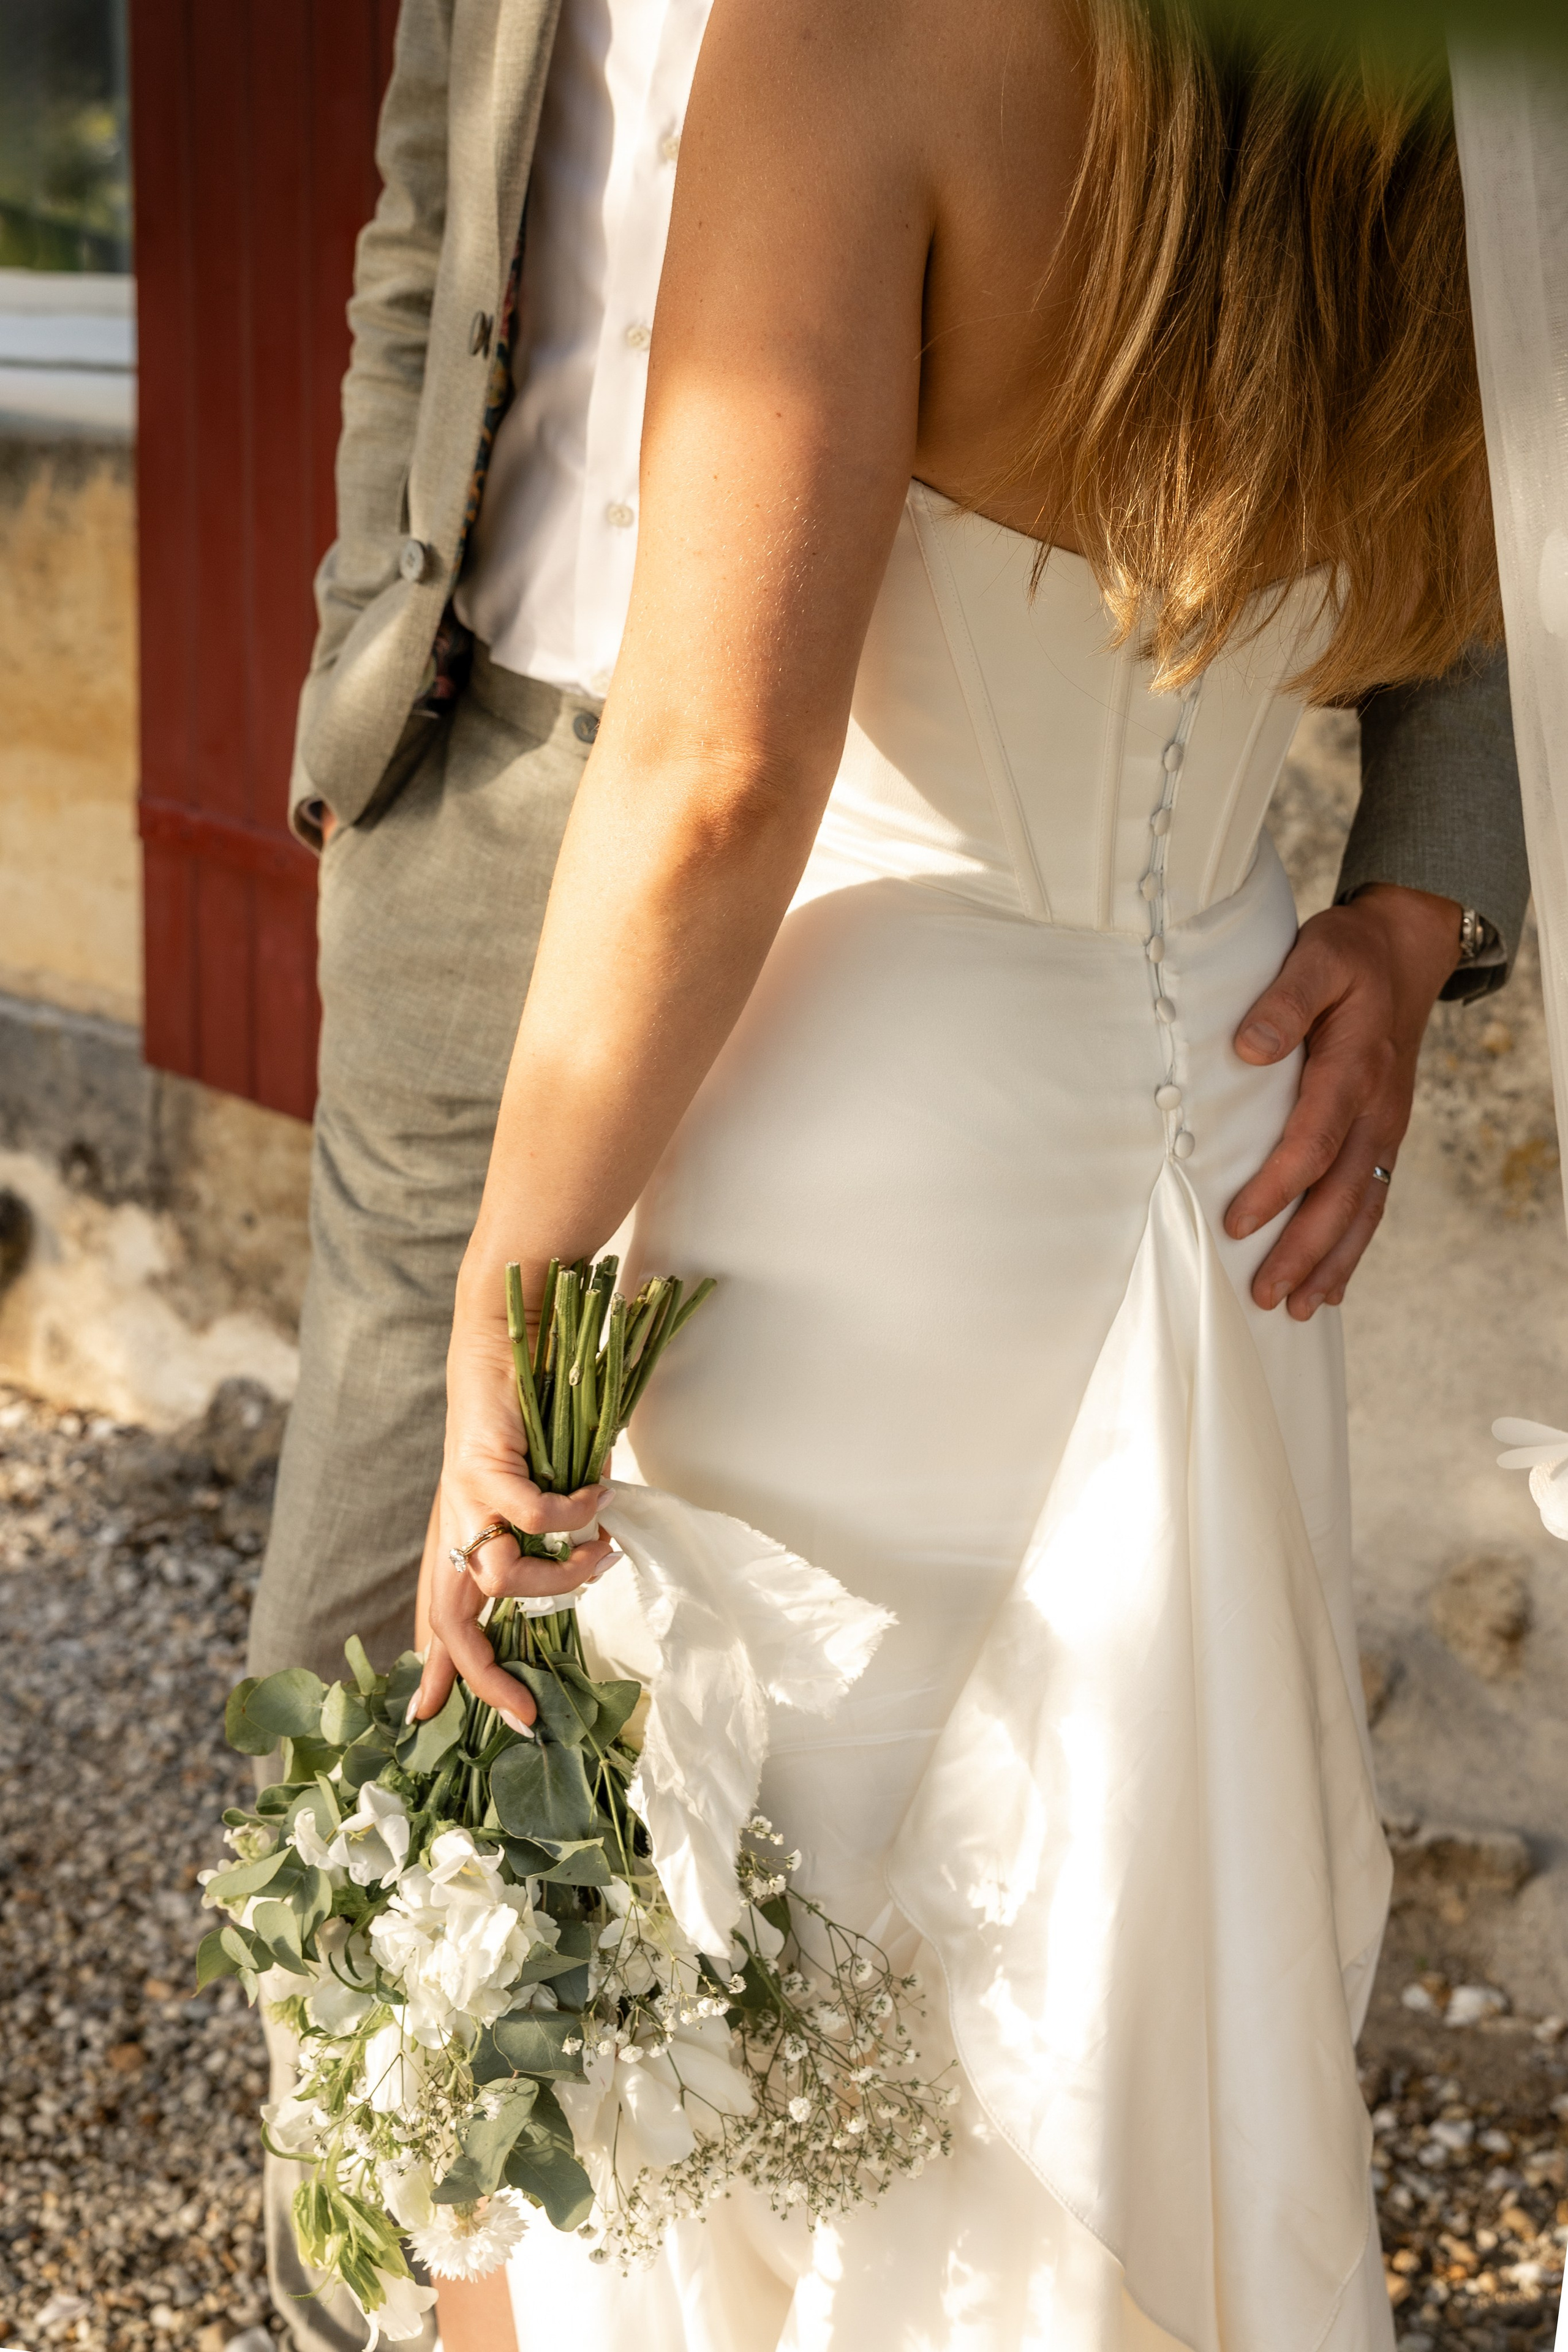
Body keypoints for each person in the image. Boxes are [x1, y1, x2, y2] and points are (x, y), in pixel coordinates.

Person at [251, 2, 1528, 2348]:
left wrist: (502, 1308)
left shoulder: (851, 41)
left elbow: (721, 772)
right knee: (1089, 2005)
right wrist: (1400, 902)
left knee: (724, 2045)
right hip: (1225, 1139)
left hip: (865, 1177)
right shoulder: (1395, 80)